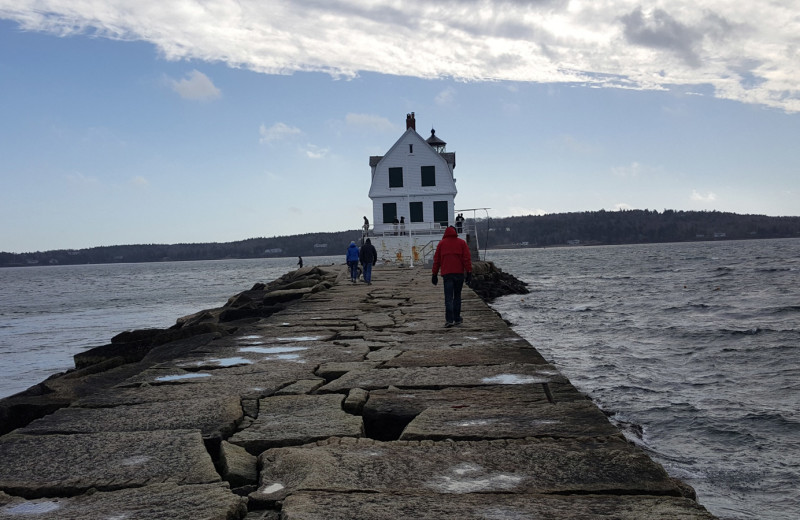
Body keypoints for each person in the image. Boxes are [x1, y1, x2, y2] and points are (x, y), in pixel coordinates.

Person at [431, 226, 472, 327]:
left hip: (447, 274)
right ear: (455, 232)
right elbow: (467, 259)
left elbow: (437, 261)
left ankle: (449, 320)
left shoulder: (441, 244)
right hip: (459, 274)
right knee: (457, 297)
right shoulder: (462, 243)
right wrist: (469, 272)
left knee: (448, 298)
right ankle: (457, 318)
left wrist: (434, 274)